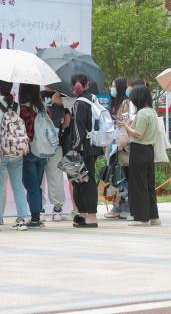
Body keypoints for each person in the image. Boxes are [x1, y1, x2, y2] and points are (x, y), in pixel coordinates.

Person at [118, 85, 160, 226]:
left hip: (139, 149)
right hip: (149, 150)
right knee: (149, 184)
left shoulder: (142, 113)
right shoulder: (152, 112)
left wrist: (126, 126)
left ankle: (141, 218)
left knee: (138, 184)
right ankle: (153, 217)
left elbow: (138, 134)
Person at [0, 79, 30, 231]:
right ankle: (22, 217)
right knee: (18, 186)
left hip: (1, 151)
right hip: (16, 151)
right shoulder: (16, 106)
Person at [67, 74, 99, 228]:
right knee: (86, 180)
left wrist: (75, 148)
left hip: (80, 147)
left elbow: (78, 128)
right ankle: (84, 215)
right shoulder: (93, 99)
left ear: (73, 86)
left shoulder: (79, 103)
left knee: (80, 182)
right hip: (93, 145)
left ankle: (88, 216)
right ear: (87, 85)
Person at [19, 83, 48, 228]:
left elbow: (24, 131)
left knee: (31, 185)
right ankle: (36, 214)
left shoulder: (23, 109)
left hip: (29, 150)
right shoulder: (42, 108)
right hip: (42, 150)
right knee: (37, 184)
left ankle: (35, 218)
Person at [105, 77, 131, 219]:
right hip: (114, 143)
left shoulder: (126, 103)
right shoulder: (115, 103)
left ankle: (123, 207)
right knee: (116, 176)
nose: (112, 88)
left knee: (121, 177)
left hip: (122, 145)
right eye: (111, 85)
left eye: (114, 86)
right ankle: (118, 206)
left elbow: (126, 123)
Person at [40, 86, 67, 221]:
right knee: (56, 176)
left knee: (38, 176)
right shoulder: (63, 97)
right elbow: (67, 121)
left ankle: (39, 209)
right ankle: (57, 209)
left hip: (39, 143)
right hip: (56, 142)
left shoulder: (37, 95)